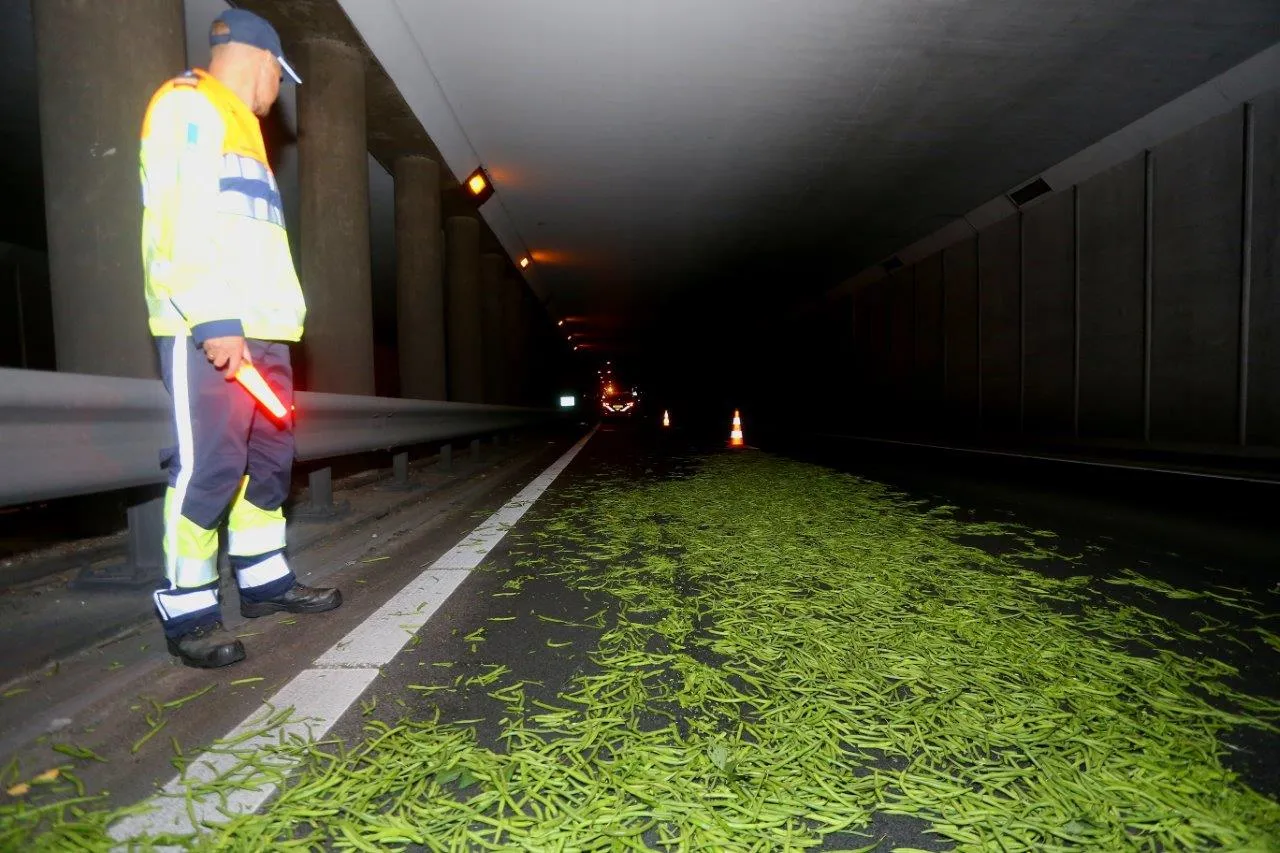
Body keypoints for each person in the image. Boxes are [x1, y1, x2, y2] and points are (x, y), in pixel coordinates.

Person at [139, 9, 341, 668]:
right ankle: (189, 607)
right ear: (264, 60)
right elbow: (181, 218)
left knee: (267, 463)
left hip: (266, 330)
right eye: (279, 80)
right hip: (214, 330)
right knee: (209, 467)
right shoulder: (189, 105)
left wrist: (266, 326)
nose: (276, 95)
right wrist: (214, 318)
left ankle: (262, 581)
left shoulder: (243, 128)